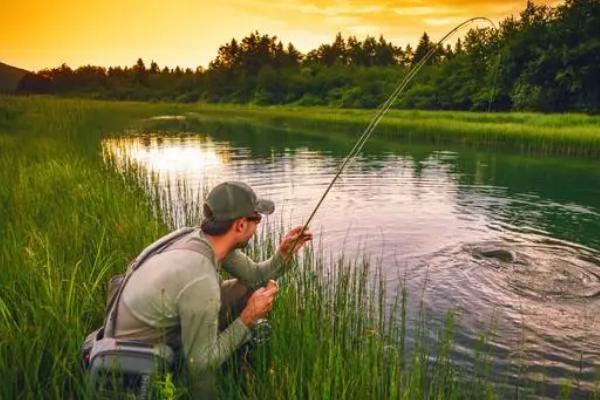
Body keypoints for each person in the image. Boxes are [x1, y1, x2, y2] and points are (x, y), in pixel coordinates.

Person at [108, 181, 312, 395]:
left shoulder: (199, 237)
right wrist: (248, 318)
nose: (258, 226)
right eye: (257, 219)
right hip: (136, 361)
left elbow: (255, 277)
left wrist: (284, 254)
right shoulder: (200, 278)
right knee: (204, 369)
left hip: (146, 327)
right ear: (240, 225)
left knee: (248, 289)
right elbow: (200, 363)